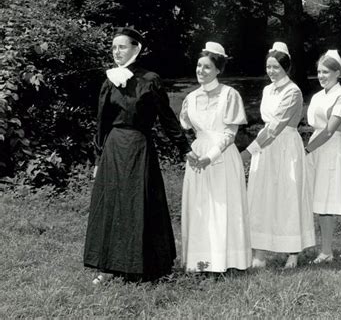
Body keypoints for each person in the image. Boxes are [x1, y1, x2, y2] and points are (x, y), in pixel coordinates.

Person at [83, 27, 191, 283]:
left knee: (138, 204)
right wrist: (99, 157)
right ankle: (107, 267)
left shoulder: (150, 79)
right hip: (113, 149)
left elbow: (167, 118)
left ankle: (142, 266)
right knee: (111, 205)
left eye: (121, 47)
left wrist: (185, 148)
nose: (116, 52)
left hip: (139, 147)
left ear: (136, 48)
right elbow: (102, 123)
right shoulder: (109, 80)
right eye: (113, 48)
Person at [241, 42, 315, 269]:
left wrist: (248, 151)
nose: (271, 71)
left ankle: (293, 252)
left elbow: (276, 127)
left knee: (287, 196)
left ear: (286, 68)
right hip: (266, 147)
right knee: (261, 196)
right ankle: (259, 254)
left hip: (285, 147)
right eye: (268, 67)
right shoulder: (267, 90)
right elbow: (267, 126)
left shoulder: (293, 91)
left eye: (276, 67)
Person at [180, 42, 251, 273]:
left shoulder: (230, 95)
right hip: (197, 155)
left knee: (222, 207)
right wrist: (191, 152)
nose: (201, 71)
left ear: (218, 70)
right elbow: (185, 127)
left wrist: (210, 156)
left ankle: (225, 261)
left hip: (221, 156)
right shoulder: (190, 98)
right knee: (200, 207)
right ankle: (199, 263)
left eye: (207, 67)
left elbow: (230, 133)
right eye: (199, 66)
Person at [305, 50, 341, 264]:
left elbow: (329, 130)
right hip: (316, 149)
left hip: (330, 150)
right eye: (319, 72)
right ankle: (326, 251)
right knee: (321, 204)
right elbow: (317, 127)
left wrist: (306, 150)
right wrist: (310, 150)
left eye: (326, 72)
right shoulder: (318, 96)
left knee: (338, 203)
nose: (321, 76)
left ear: (337, 72)